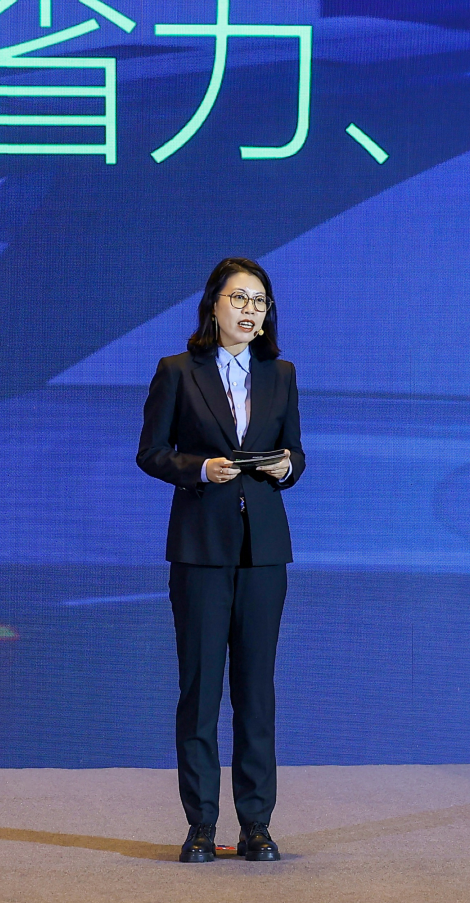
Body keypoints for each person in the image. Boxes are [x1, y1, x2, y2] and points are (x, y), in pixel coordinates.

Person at [136, 256, 305, 863]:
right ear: (213, 305)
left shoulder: (281, 374)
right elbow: (152, 452)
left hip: (264, 552)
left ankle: (257, 824)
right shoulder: (177, 371)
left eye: (260, 301)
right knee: (201, 690)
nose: (250, 310)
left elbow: (296, 453)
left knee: (256, 692)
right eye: (240, 298)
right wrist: (200, 468)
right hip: (200, 549)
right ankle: (201, 825)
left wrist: (286, 467)